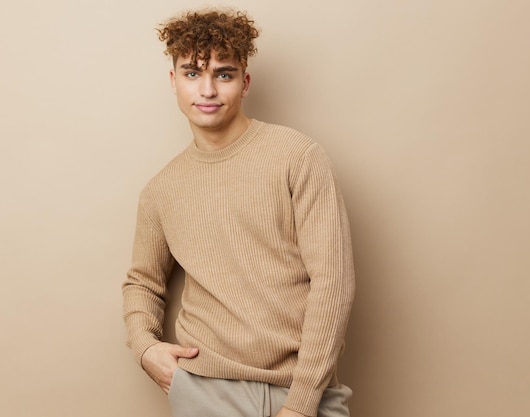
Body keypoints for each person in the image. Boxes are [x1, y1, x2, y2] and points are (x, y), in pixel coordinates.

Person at [122, 8, 355, 417]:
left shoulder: (298, 157)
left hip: (303, 391)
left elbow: (333, 282)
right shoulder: (161, 190)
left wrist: (301, 406)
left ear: (244, 82)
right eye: (192, 73)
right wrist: (145, 347)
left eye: (223, 74)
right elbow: (142, 282)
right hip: (205, 392)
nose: (207, 89)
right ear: (173, 81)